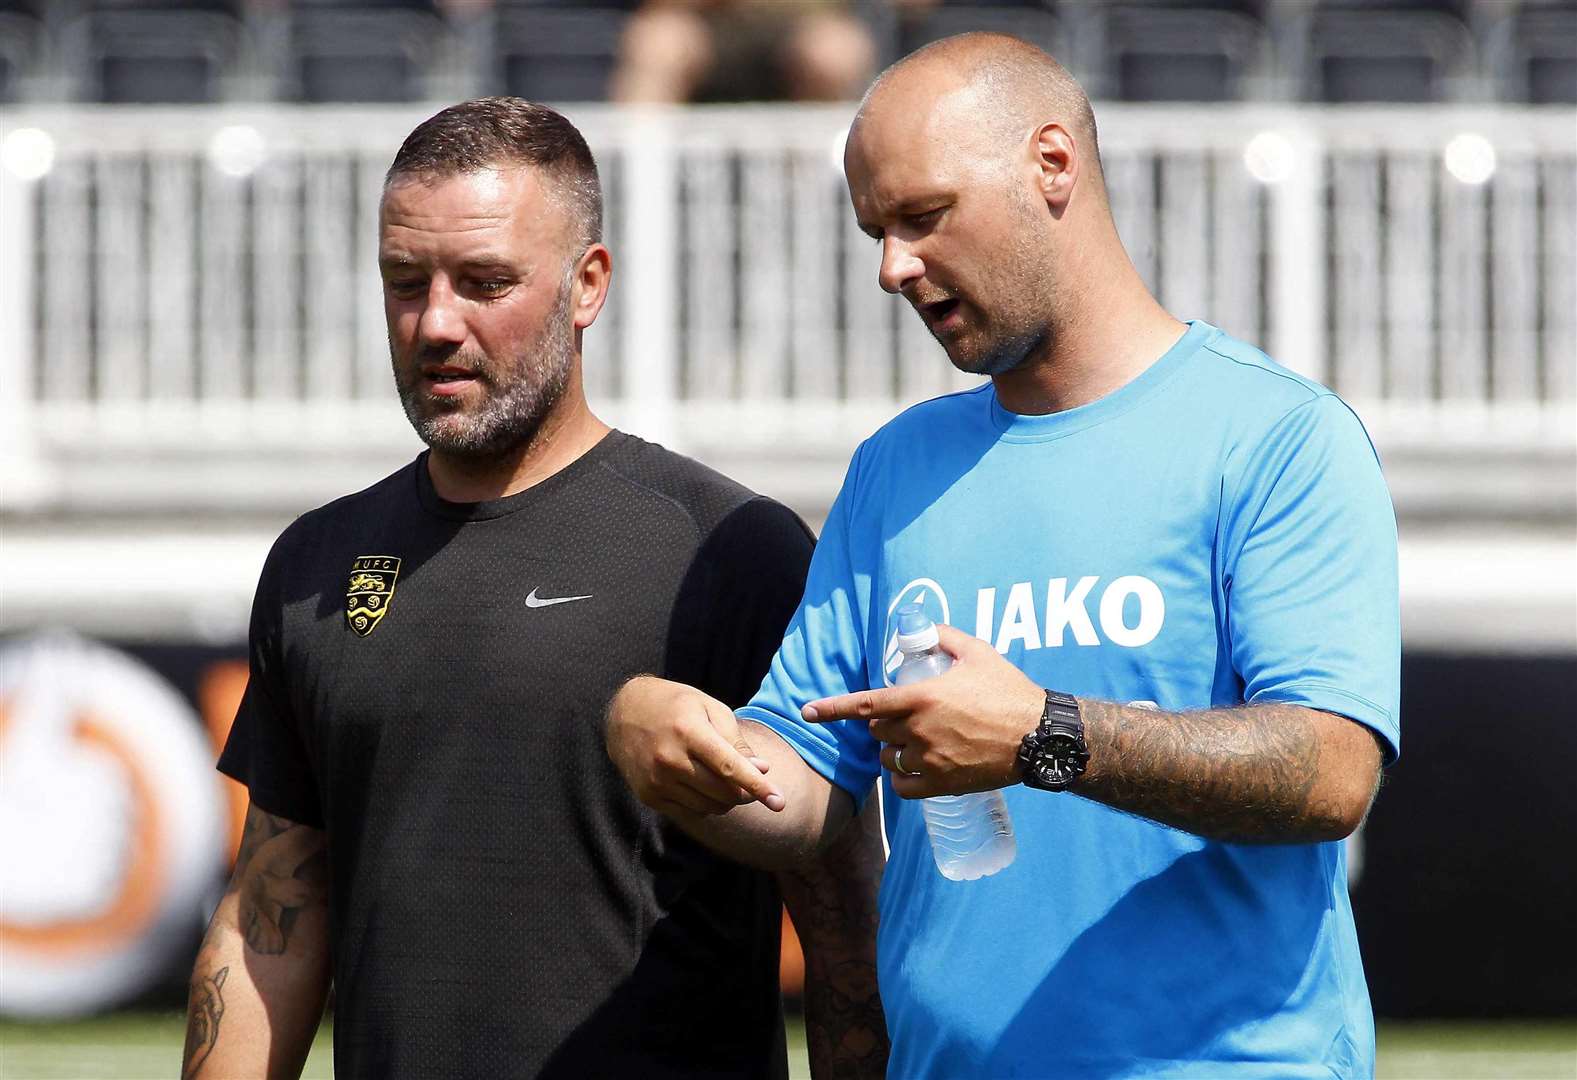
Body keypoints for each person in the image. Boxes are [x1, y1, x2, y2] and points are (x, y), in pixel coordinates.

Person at [605, 32, 1400, 1079]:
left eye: (922, 217)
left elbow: (1331, 773)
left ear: (1051, 165)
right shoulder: (895, 469)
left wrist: (1044, 734)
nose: (892, 268)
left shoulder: (1275, 436)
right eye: (874, 232)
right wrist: (667, 742)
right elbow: (801, 787)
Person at [180, 97, 887, 1080]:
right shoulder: (316, 563)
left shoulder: (730, 549)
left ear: (586, 283)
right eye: (403, 281)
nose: (434, 322)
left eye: (483, 282)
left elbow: (844, 915)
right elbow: (271, 921)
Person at [612, 0, 875, 103]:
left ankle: (813, 193)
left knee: (835, 50)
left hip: (798, 27)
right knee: (659, 41)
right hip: (708, 27)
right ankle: (640, 195)